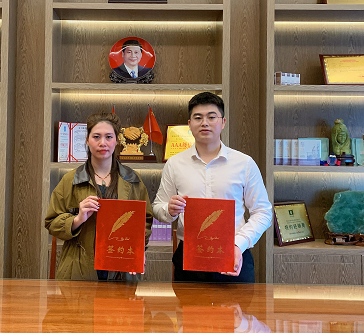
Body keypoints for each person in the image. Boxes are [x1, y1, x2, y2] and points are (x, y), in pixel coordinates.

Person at [153, 92, 272, 283]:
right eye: (198, 118)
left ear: (223, 122)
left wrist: (238, 244)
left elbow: (263, 212)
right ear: (189, 124)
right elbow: (158, 207)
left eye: (211, 117)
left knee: (237, 303)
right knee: (188, 303)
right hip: (189, 257)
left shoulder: (244, 163)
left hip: (234, 254)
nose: (204, 123)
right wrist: (169, 209)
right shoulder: (174, 164)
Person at [45, 112, 153, 280]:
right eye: (96, 137)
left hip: (121, 267)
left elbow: (145, 219)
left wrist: (138, 250)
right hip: (79, 267)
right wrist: (77, 219)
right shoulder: (70, 180)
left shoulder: (132, 180)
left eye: (108, 137)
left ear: (117, 140)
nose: (103, 143)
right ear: (87, 140)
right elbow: (51, 222)